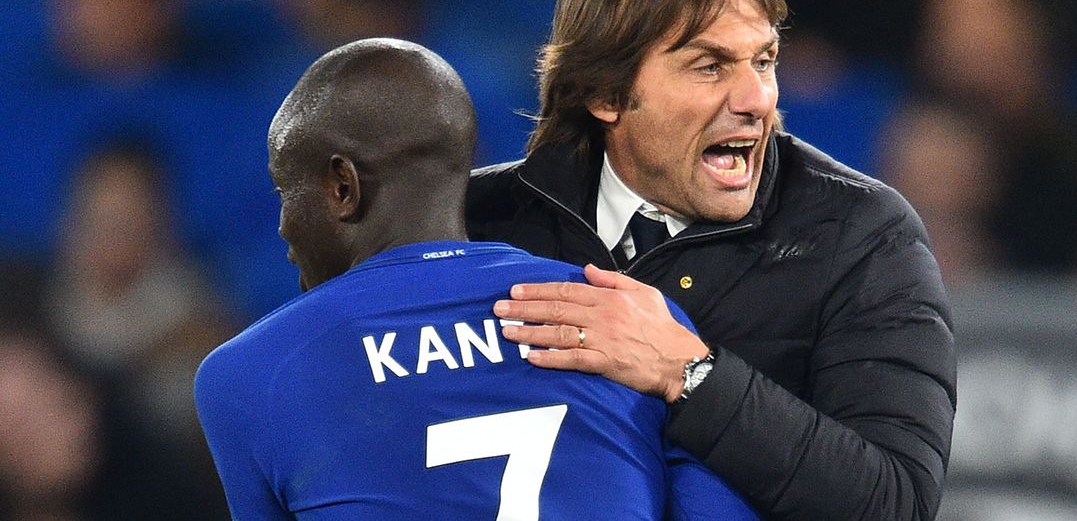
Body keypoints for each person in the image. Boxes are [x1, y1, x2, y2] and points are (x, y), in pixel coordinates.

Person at [467, 0, 957, 519]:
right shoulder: (482, 221)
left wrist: (687, 373)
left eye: (765, 60)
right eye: (710, 66)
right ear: (605, 94)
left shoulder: (859, 236)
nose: (757, 99)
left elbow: (897, 501)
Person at [193, 38, 756, 519]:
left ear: (343, 187)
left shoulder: (250, 374)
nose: (283, 227)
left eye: (284, 192)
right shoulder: (633, 322)